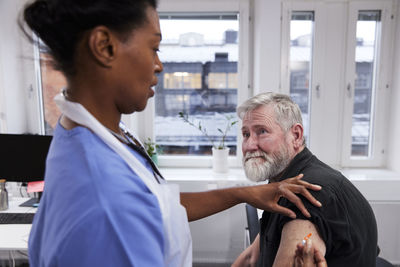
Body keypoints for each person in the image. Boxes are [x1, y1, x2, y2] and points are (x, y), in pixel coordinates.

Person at [20, 1, 323, 266]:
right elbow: (128, 208)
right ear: (105, 46)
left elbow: (154, 205)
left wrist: (242, 193)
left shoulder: (86, 132)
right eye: (153, 47)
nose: (159, 65)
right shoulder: (108, 206)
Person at [232, 92, 378, 267]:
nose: (249, 145)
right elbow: (251, 258)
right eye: (246, 134)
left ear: (296, 135)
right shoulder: (284, 181)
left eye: (262, 131)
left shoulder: (306, 193)